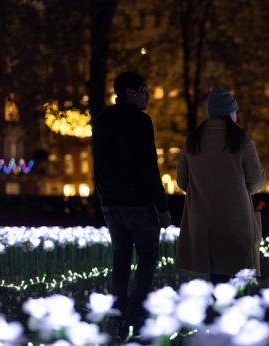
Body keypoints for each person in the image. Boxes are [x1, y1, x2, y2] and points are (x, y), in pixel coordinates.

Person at [92, 72, 171, 338]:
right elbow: (148, 166)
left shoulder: (102, 121)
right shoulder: (140, 121)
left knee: (121, 257)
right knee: (148, 255)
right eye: (143, 89)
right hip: (137, 202)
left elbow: (99, 165)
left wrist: (104, 198)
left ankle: (117, 312)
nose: (147, 94)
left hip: (112, 203)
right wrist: (162, 207)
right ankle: (136, 311)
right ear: (130, 92)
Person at [176, 86, 265, 284]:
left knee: (212, 276)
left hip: (201, 220)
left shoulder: (193, 140)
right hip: (235, 219)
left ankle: (212, 311)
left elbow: (182, 181)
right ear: (229, 112)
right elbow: (256, 180)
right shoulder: (241, 139)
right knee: (235, 275)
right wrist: (240, 190)